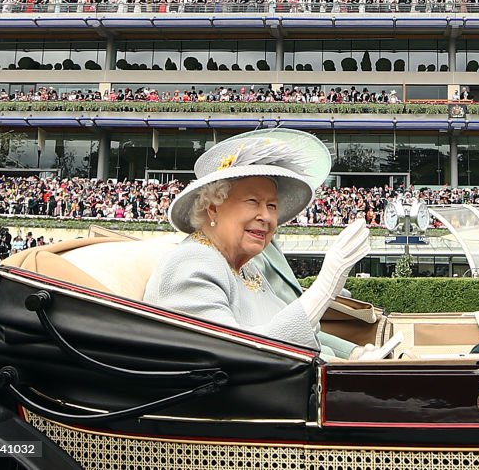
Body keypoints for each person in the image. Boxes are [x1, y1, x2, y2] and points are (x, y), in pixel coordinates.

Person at [143, 129, 372, 358]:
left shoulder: (246, 268)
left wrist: (353, 355)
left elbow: (287, 328)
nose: (266, 216)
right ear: (213, 208)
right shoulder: (191, 262)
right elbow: (240, 352)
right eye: (253, 201)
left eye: (271, 206)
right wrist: (326, 284)